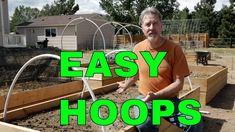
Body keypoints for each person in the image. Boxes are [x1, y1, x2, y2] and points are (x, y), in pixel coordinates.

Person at [117, 7, 202, 132]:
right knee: (144, 124)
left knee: (194, 121)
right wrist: (126, 85)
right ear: (142, 28)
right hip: (145, 99)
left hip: (170, 101)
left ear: (161, 26)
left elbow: (178, 83)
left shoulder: (174, 49)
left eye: (155, 23)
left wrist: (156, 95)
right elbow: (135, 75)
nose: (151, 27)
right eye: (148, 24)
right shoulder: (137, 49)